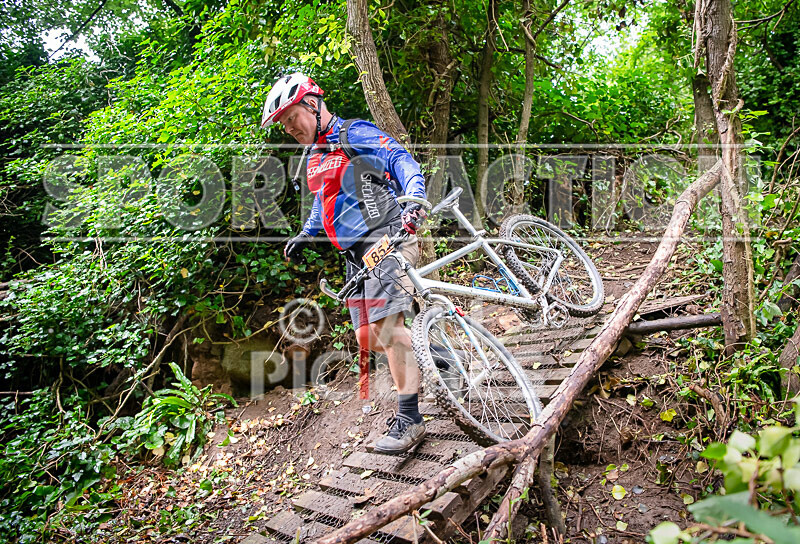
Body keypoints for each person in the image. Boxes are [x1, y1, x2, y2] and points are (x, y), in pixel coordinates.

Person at [261, 73, 428, 454]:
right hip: (354, 256)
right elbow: (324, 201)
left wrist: (414, 197)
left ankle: (410, 418)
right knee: (366, 337)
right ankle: (434, 354)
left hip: (387, 234)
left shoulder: (353, 134)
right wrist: (306, 233)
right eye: (283, 125)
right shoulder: (313, 156)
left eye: (291, 118)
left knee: (387, 327)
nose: (289, 128)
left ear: (313, 105)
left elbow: (398, 157)